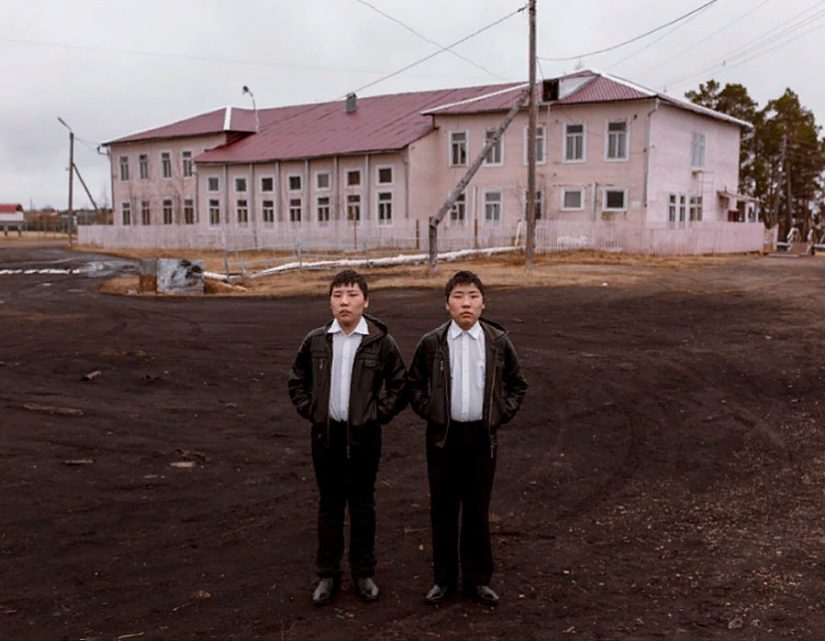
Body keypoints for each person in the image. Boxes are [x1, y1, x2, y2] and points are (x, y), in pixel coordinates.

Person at [407, 270, 528, 606]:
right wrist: (431, 411)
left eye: (473, 296)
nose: (466, 303)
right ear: (447, 304)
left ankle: (477, 579)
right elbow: (414, 384)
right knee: (443, 511)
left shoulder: (497, 342)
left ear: (483, 302)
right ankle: (443, 580)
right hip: (443, 439)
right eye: (458, 296)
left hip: (481, 439)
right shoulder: (432, 343)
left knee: (477, 510)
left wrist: (499, 414)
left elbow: (518, 384)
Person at [288, 269, 407, 605]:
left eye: (352, 294)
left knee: (362, 504)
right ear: (330, 301)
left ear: (365, 301)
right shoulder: (316, 341)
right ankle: (327, 574)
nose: (345, 301)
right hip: (327, 435)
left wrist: (376, 414)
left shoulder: (381, 342)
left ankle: (363, 572)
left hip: (364, 436)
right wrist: (312, 411)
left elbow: (400, 385)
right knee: (329, 505)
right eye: (338, 294)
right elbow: (297, 381)